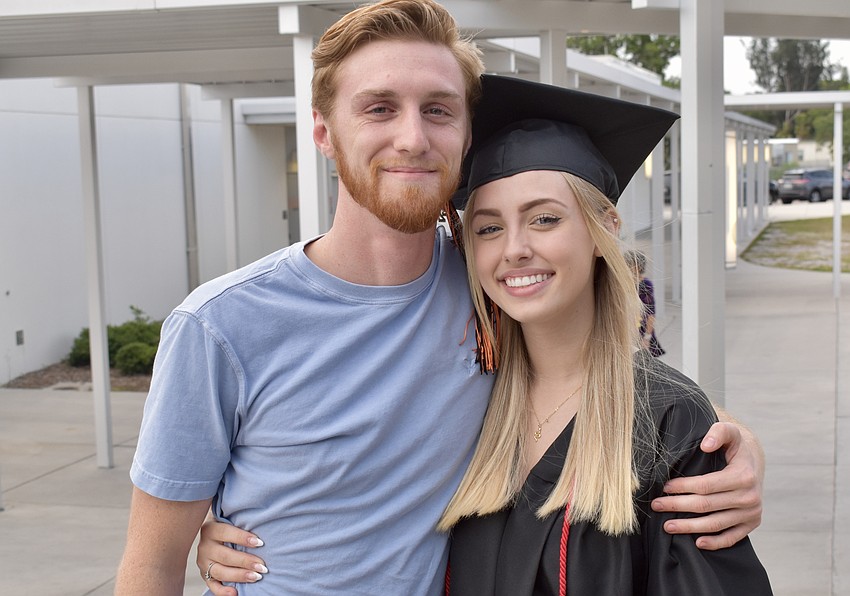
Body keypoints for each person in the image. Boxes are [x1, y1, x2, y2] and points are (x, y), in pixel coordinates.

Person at [116, 2, 764, 595]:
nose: (412, 138)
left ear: (464, 132)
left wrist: (726, 442)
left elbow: (607, 370)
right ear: (323, 131)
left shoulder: (490, 286)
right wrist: (203, 540)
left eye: (438, 109)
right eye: (378, 108)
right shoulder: (221, 326)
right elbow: (150, 565)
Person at [439, 76, 771, 594]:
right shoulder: (462, 395)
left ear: (605, 228)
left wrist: (730, 437)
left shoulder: (668, 424)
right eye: (488, 228)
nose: (515, 248)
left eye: (544, 219)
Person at [625, 249, 665, 357]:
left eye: (628, 265)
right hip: (627, 332)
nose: (625, 267)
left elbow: (650, 313)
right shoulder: (624, 283)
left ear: (637, 267)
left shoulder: (646, 285)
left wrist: (647, 337)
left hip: (641, 332)